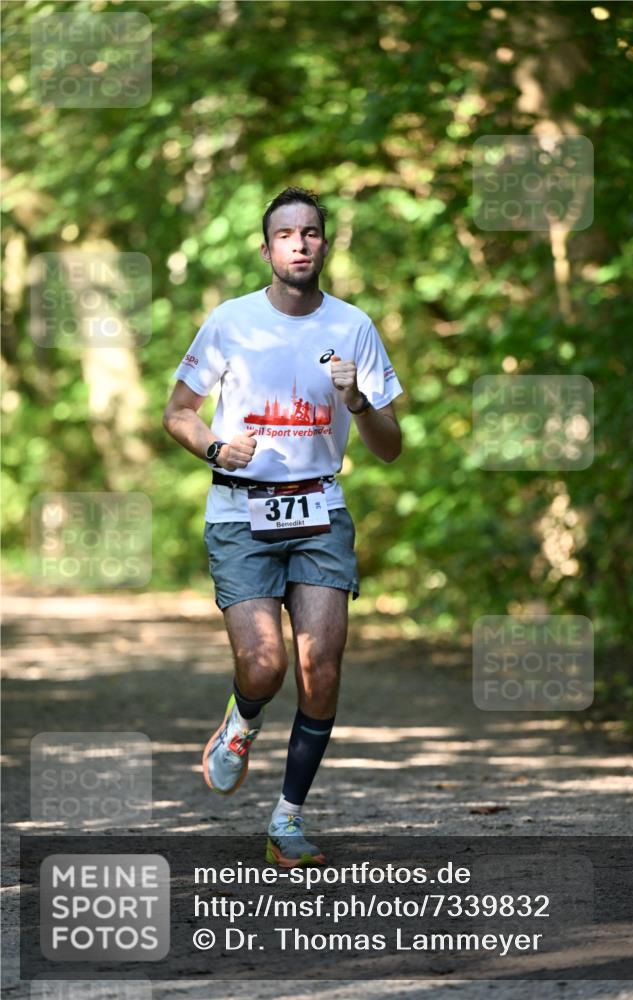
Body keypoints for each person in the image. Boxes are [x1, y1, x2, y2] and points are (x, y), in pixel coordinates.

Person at [163, 187, 403, 867]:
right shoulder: (230, 321)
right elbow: (177, 412)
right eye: (286, 234)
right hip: (241, 508)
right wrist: (213, 447)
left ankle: (286, 820)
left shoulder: (354, 326)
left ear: (326, 244)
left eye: (312, 233)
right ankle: (241, 719)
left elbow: (389, 446)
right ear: (266, 249)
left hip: (320, 509)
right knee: (264, 664)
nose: (300, 243)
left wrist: (357, 400)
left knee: (319, 666)